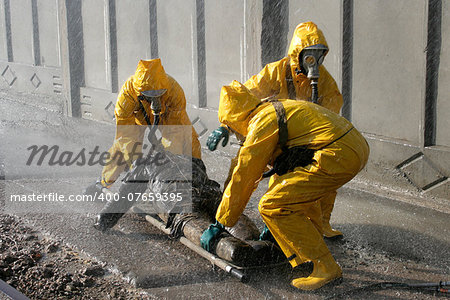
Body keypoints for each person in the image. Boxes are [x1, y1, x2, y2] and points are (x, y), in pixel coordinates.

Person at [201, 81, 369, 290]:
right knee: (290, 193)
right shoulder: (271, 110)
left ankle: (325, 267)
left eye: (233, 129)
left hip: (338, 154)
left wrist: (221, 222)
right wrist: (273, 229)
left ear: (238, 119)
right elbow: (246, 166)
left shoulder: (261, 123)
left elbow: (243, 177)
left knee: (271, 205)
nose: (237, 135)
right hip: (352, 147)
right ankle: (306, 258)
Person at [207, 21, 344, 238]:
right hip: (271, 131)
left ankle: (314, 225)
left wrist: (312, 148)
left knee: (319, 178)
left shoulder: (326, 84)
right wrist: (227, 125)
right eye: (310, 55)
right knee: (241, 169)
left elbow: (331, 118)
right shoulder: (276, 72)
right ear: (297, 52)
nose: (314, 62)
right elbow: (246, 95)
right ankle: (225, 217)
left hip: (303, 140)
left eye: (319, 56)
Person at [84, 58, 202, 204]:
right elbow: (125, 135)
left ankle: (194, 184)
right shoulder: (127, 94)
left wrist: (171, 164)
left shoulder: (173, 90)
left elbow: (175, 131)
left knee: (188, 140)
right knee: (121, 149)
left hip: (166, 116)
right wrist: (135, 162)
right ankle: (103, 183)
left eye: (159, 94)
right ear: (140, 92)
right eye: (151, 96)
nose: (155, 99)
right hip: (138, 118)